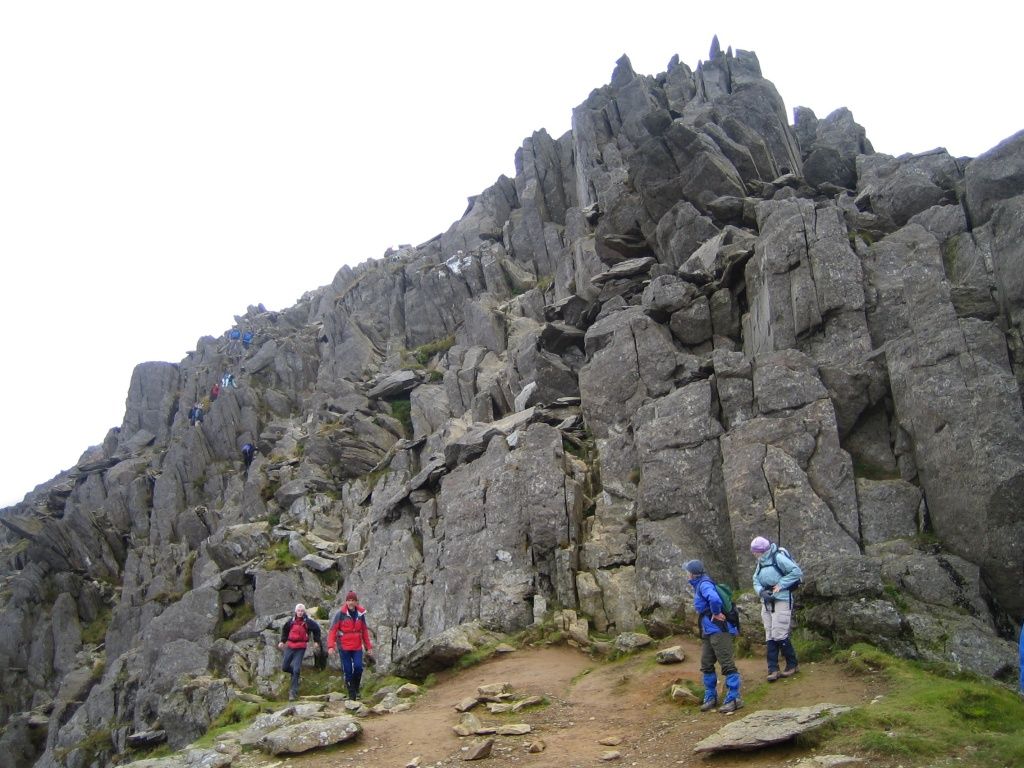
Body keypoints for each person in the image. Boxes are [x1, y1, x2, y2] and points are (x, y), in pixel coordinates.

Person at [684, 559, 742, 713]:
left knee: (727, 663)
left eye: (687, 572)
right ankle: (711, 696)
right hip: (709, 631)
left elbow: (714, 599)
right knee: (706, 664)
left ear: (692, 574)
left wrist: (716, 613)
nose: (686, 575)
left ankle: (735, 698)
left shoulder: (704, 584)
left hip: (719, 630)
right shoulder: (701, 584)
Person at [751, 536, 803, 681]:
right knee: (769, 633)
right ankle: (773, 669)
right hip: (766, 601)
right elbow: (755, 579)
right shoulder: (760, 562)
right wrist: (761, 592)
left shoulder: (778, 557)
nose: (754, 554)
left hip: (782, 599)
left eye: (756, 551)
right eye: (754, 552)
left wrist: (780, 586)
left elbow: (796, 571)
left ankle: (792, 665)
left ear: (763, 550)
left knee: (779, 633)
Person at [327, 591, 374, 700]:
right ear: (346, 602)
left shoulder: (360, 614)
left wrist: (368, 647)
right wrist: (330, 646)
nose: (350, 602)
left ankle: (356, 688)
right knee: (347, 670)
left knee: (358, 668)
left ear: (356, 602)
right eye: (348, 600)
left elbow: (364, 631)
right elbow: (333, 631)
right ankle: (352, 696)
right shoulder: (340, 614)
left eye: (353, 600)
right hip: (344, 646)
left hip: (357, 646)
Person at [277, 603, 323, 701]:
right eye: (299, 611)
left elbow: (316, 629)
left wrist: (316, 641)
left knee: (296, 669)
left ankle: (293, 693)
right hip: (290, 646)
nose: (300, 613)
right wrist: (282, 641)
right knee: (285, 667)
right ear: (296, 611)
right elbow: (285, 630)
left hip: (300, 648)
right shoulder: (291, 622)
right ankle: (295, 674)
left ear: (304, 612)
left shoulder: (308, 622)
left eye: (302, 611)